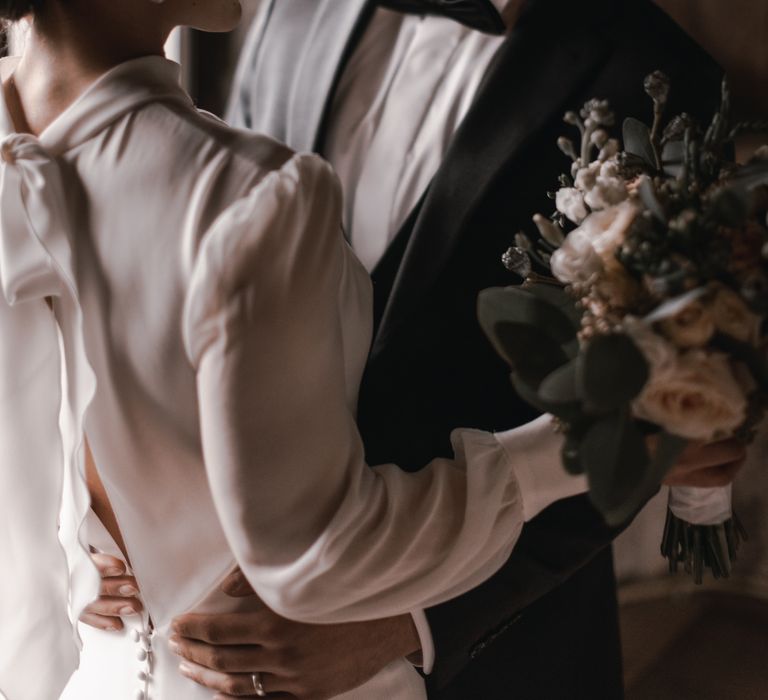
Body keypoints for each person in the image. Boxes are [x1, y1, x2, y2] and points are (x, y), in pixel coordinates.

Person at [162, 1, 736, 698]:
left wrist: (415, 621)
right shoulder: (286, 13)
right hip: (226, 625)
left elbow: (640, 422)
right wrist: (103, 526)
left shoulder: (658, 72)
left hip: (497, 657)